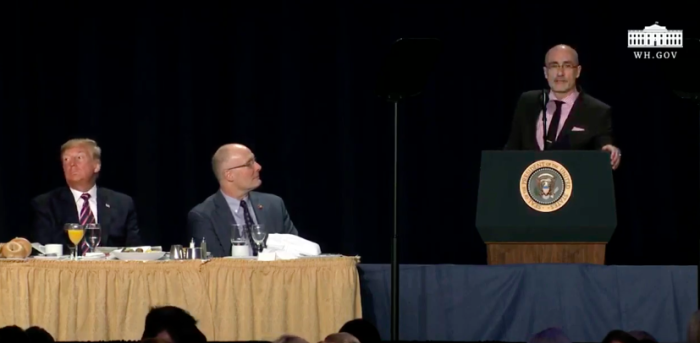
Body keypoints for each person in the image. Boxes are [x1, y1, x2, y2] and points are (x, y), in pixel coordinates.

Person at [505, 44, 622, 170]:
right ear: (545, 72)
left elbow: (604, 147)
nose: (560, 73)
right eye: (554, 66)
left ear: (578, 71)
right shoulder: (527, 102)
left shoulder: (597, 111)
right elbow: (511, 149)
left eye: (567, 66)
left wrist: (612, 152)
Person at [187, 143, 298, 257]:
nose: (258, 167)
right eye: (249, 163)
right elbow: (214, 267)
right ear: (229, 175)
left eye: (255, 161)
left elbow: (297, 251)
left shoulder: (274, 205)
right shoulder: (204, 216)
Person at [30, 138, 142, 249]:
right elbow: (43, 251)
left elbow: (134, 250)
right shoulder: (46, 204)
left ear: (96, 166)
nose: (72, 164)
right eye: (66, 159)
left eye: (79, 158)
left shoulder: (122, 204)